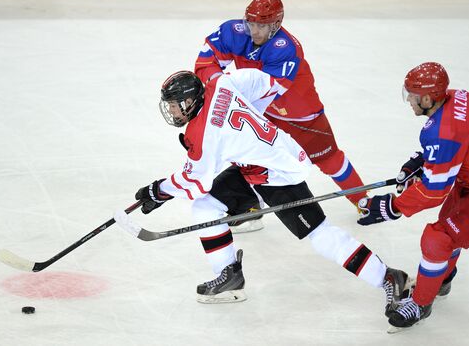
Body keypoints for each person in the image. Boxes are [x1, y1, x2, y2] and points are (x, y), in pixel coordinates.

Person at [131, 68, 410, 315]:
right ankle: (229, 278)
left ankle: (386, 276)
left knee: (319, 234)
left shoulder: (202, 133)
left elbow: (194, 181)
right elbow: (261, 81)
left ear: (189, 101)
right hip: (267, 158)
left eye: (175, 106)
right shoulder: (220, 84)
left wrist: (159, 191)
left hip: (276, 176)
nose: (172, 113)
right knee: (206, 206)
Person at [357, 62, 469, 331]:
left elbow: (434, 190)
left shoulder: (444, 132)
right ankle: (442, 277)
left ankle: (420, 304)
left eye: (412, 96)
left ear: (427, 98)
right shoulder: (458, 96)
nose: (409, 102)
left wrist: (393, 205)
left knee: (438, 238)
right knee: (448, 226)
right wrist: (424, 159)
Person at [194, 0, 367, 232]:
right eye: (251, 23)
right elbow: (205, 62)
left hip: (300, 114)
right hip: (260, 110)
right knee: (253, 161)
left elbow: (265, 90)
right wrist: (220, 84)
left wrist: (224, 88)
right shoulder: (233, 31)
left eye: (262, 25)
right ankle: (250, 210)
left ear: (275, 25)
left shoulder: (286, 48)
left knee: (329, 159)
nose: (254, 31)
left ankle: (363, 200)